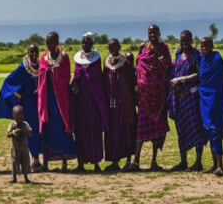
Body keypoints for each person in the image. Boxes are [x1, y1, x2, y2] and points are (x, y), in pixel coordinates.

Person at [125, 25, 171, 172]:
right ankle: (136, 161)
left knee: (157, 132)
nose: (152, 34)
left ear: (159, 33)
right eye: (150, 32)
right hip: (144, 96)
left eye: (154, 32)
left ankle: (154, 161)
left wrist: (158, 55)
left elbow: (167, 66)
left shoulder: (163, 48)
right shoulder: (143, 47)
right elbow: (139, 65)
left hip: (158, 95)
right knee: (141, 130)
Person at [0, 44, 42, 171]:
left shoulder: (42, 66)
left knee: (40, 130)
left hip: (40, 103)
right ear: (27, 52)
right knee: (31, 130)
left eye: (36, 51)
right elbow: (8, 82)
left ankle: (39, 160)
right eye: (31, 52)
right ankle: (34, 159)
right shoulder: (23, 68)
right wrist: (18, 95)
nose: (34, 54)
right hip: (29, 104)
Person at [168, 30, 207, 171]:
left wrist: (182, 80)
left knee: (196, 127)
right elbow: (173, 72)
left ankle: (198, 161)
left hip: (192, 97)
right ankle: (183, 161)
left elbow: (199, 74)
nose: (184, 43)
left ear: (191, 40)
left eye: (187, 40)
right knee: (181, 128)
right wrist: (175, 85)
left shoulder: (196, 55)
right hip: (179, 98)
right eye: (182, 40)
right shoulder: (178, 54)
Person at [38, 32, 76, 172]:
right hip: (48, 99)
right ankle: (46, 162)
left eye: (53, 42)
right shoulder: (44, 57)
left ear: (57, 42)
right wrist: (47, 71)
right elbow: (41, 73)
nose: (50, 45)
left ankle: (65, 162)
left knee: (62, 128)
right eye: (48, 43)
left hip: (61, 99)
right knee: (47, 130)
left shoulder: (64, 57)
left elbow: (65, 76)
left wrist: (54, 73)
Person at [71, 32, 109, 172]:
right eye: (83, 42)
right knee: (80, 132)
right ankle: (81, 162)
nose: (84, 44)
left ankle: (96, 162)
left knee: (94, 132)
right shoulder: (77, 60)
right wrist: (74, 85)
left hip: (93, 103)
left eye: (87, 42)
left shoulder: (96, 60)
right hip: (80, 103)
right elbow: (76, 76)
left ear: (92, 44)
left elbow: (97, 80)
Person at [102, 38, 137, 171]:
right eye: (110, 47)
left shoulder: (126, 64)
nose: (113, 49)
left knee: (126, 132)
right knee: (112, 134)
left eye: (115, 46)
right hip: (111, 105)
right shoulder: (106, 63)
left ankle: (128, 160)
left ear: (119, 46)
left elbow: (132, 82)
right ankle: (114, 161)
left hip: (125, 104)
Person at [198, 37, 223, 177]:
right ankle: (214, 164)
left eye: (206, 46)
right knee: (208, 131)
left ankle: (220, 165)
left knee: (216, 131)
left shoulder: (217, 59)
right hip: (204, 98)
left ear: (211, 46)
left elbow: (218, 82)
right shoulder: (202, 60)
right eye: (201, 46)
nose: (203, 48)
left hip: (216, 99)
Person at [7, 105, 32, 183]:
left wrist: (26, 131)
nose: (19, 119)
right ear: (13, 116)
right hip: (15, 147)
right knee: (15, 162)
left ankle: (26, 177)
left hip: (24, 147)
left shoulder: (25, 124)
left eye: (20, 117)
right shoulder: (12, 124)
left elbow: (30, 134)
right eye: (17, 117)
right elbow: (8, 134)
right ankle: (14, 177)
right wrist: (14, 132)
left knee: (25, 162)